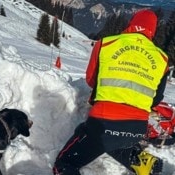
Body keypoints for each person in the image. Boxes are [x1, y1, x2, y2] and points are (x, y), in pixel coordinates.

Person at [53, 9, 169, 175]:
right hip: (137, 128)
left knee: (65, 163)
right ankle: (142, 162)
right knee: (114, 141)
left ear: (132, 23)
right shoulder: (162, 59)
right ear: (153, 30)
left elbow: (91, 79)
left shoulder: (106, 43)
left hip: (103, 122)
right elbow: (155, 100)